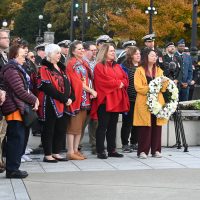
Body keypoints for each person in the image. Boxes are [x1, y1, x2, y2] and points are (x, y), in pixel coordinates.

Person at [1, 45, 39, 178]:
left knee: (19, 140)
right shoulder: (11, 69)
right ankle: (12, 169)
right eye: (23, 56)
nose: (25, 58)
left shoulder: (17, 68)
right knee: (15, 140)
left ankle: (14, 168)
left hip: (18, 107)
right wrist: (34, 99)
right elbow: (19, 90)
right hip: (14, 109)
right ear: (15, 55)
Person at [91, 43, 129, 159]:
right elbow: (104, 81)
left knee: (113, 126)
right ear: (104, 52)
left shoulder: (117, 66)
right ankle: (100, 150)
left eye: (113, 51)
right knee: (103, 126)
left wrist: (120, 82)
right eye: (111, 51)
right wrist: (118, 83)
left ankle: (112, 149)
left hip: (116, 100)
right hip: (105, 101)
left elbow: (125, 78)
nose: (113, 53)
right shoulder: (99, 66)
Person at [37, 44, 74, 163]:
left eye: (59, 53)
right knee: (49, 129)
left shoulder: (61, 67)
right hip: (50, 102)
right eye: (56, 53)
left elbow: (68, 83)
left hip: (63, 102)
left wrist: (70, 97)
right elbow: (47, 87)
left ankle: (56, 152)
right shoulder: (44, 68)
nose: (59, 55)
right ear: (49, 54)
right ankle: (48, 154)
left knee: (60, 128)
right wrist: (64, 98)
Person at [134, 49, 168, 159]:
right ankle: (142, 151)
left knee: (157, 125)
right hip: (144, 101)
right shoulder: (139, 70)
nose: (155, 57)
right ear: (146, 57)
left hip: (157, 102)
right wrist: (153, 87)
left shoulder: (159, 70)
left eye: (156, 56)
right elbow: (138, 88)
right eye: (152, 55)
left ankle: (156, 150)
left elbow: (163, 89)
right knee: (145, 126)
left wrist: (165, 83)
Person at [66, 40, 97, 160]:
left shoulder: (83, 62)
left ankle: (75, 149)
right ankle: (70, 151)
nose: (82, 50)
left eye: (82, 48)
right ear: (73, 51)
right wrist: (91, 91)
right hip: (77, 98)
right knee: (73, 126)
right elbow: (77, 82)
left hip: (85, 99)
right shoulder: (71, 63)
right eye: (78, 49)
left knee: (79, 127)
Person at [120, 46, 141, 153]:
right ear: (131, 55)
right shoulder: (125, 66)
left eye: (139, 54)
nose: (138, 55)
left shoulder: (142, 66)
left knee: (137, 122)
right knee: (127, 122)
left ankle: (134, 142)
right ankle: (125, 144)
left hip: (140, 99)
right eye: (136, 54)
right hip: (129, 99)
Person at [81, 41, 98, 154]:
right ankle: (77, 145)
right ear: (86, 51)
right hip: (84, 96)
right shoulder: (81, 63)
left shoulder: (96, 62)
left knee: (95, 122)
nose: (94, 53)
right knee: (82, 122)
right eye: (92, 51)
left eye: (95, 51)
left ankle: (94, 144)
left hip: (95, 96)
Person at [0, 29, 9, 173]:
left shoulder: (4, 56)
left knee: (2, 133)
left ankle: (1, 160)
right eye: (4, 38)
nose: (8, 40)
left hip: (6, 99)